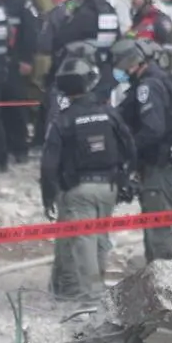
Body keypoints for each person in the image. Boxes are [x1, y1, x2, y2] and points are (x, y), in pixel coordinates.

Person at [39, 54, 133, 301]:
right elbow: (129, 147)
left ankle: (91, 297)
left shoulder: (64, 120)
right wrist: (124, 180)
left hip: (78, 190)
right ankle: (91, 290)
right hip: (109, 188)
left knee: (84, 243)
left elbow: (48, 165)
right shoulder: (108, 113)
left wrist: (48, 197)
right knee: (100, 237)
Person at [115, 38, 172, 265]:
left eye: (123, 67)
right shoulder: (168, 79)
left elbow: (153, 129)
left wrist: (129, 148)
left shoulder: (147, 87)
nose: (122, 72)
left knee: (159, 230)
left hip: (162, 168)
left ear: (134, 63)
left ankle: (164, 285)